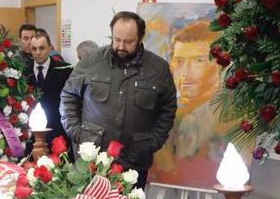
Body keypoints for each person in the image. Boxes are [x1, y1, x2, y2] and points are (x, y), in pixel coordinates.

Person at [61, 11, 177, 189]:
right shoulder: (91, 62)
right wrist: (77, 133)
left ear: (140, 38)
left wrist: (153, 142)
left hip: (134, 160)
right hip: (91, 158)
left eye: (128, 42)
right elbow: (68, 97)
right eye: (117, 39)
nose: (121, 46)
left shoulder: (158, 69)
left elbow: (167, 110)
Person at [151, 21, 227, 187]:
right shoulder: (173, 113)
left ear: (219, 66)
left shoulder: (219, 114)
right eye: (179, 61)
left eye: (198, 61)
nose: (185, 73)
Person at [25, 33, 73, 157]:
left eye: (42, 48)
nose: (38, 52)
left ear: (49, 48)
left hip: (57, 131)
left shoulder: (65, 70)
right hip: (32, 135)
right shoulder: (23, 71)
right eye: (34, 49)